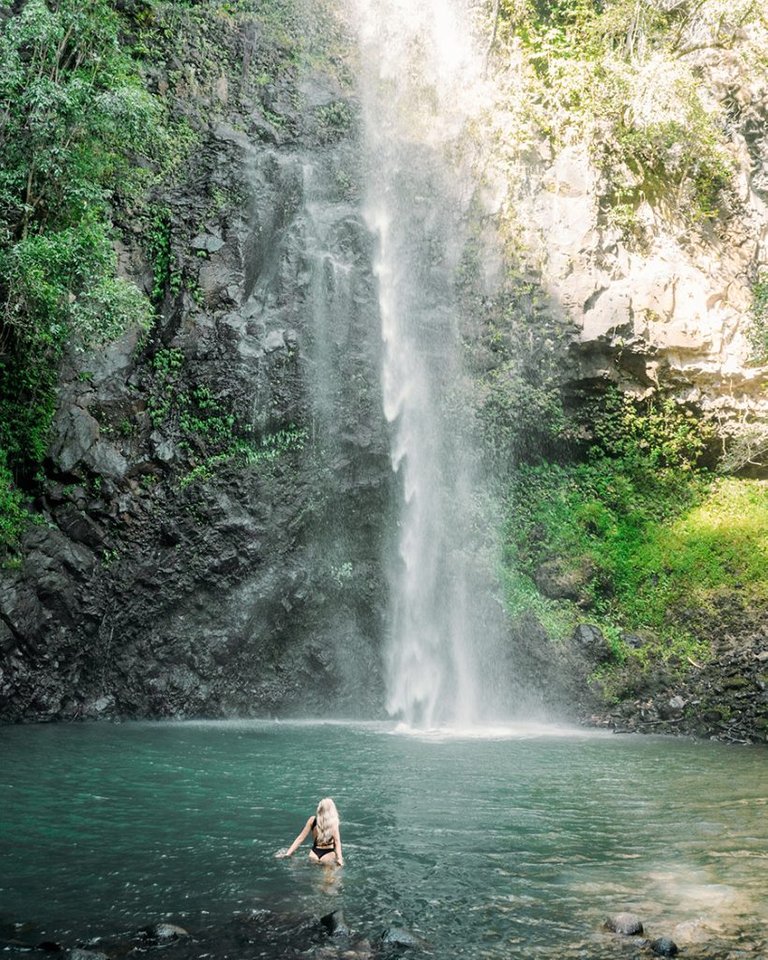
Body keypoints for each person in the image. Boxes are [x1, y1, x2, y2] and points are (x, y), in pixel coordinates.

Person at [276, 797, 344, 866]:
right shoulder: (334, 823)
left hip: (314, 854)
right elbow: (337, 841)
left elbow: (300, 838)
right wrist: (340, 859)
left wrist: (288, 854)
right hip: (328, 854)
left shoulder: (312, 820)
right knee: (329, 876)